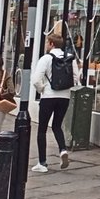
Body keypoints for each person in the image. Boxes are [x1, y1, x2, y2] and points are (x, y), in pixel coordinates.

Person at [31, 30, 72, 172]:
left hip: (48, 96)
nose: (46, 46)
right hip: (64, 97)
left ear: (51, 44)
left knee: (42, 129)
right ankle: (62, 150)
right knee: (57, 125)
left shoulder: (46, 59)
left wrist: (42, 89)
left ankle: (42, 163)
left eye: (47, 43)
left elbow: (36, 79)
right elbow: (77, 78)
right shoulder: (70, 58)